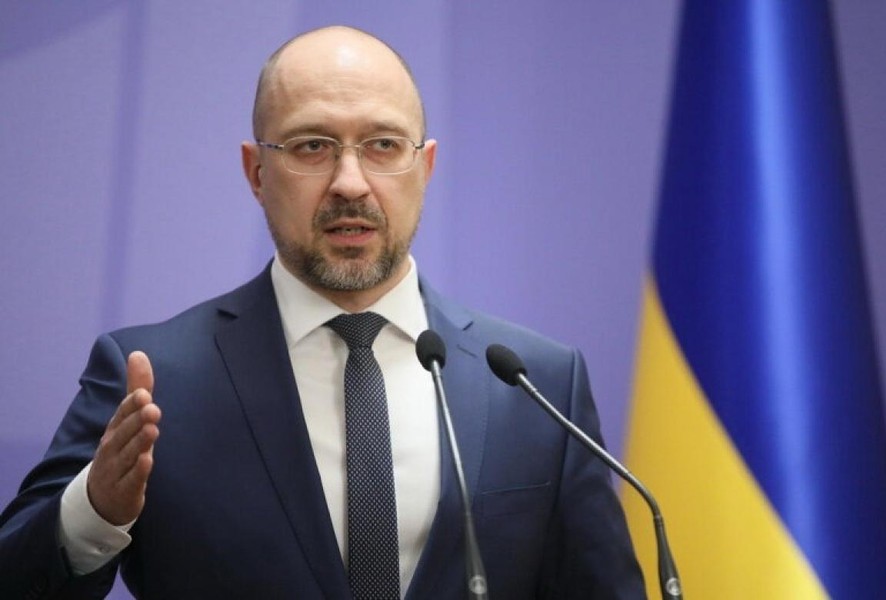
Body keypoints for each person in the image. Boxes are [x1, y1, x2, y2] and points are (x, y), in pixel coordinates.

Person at [0, 26, 645, 599]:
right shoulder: (153, 378)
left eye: (383, 145)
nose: (350, 183)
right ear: (257, 172)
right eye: (312, 146)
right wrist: (94, 512)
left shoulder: (535, 383)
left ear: (425, 166)